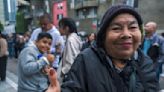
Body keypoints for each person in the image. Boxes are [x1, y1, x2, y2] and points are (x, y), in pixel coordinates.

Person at [46, 5, 159, 92]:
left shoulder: (145, 62)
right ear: (103, 35)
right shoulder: (86, 60)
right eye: (116, 28)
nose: (126, 34)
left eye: (133, 27)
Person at [57, 18, 82, 83]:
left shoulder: (71, 40)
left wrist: (62, 72)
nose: (58, 29)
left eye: (60, 27)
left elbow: (71, 62)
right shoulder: (75, 38)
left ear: (67, 28)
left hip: (68, 76)